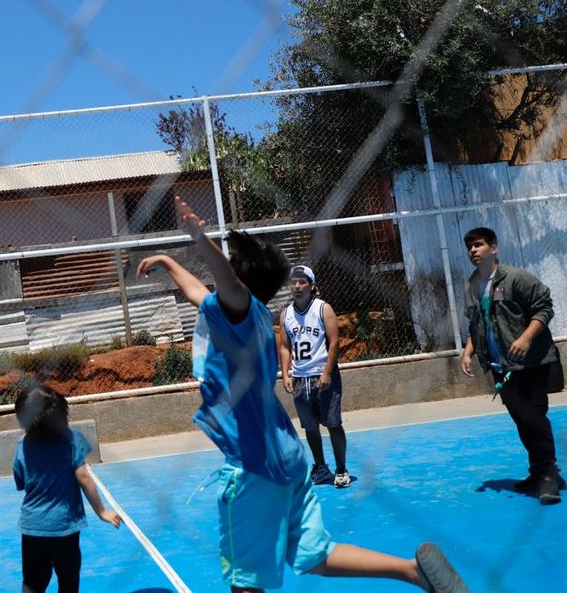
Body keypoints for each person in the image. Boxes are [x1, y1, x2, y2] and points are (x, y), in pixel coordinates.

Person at [136, 196, 467, 592]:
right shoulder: (247, 314)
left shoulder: (241, 313)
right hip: (288, 458)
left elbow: (227, 282)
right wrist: (167, 261)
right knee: (316, 556)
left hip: (254, 467)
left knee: (246, 582)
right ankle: (412, 571)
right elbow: (198, 290)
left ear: (239, 281)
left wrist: (199, 238)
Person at [459, 226, 563, 505]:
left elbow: (544, 307)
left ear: (494, 248)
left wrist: (526, 338)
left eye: (478, 245)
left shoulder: (516, 278)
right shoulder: (472, 286)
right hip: (501, 367)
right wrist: (468, 352)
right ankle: (538, 471)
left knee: (534, 417)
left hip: (529, 364)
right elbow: (475, 323)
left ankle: (549, 475)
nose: (473, 250)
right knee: (521, 419)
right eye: (469, 247)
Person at [13, 384, 122, 593]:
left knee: (33, 582)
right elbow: (83, 476)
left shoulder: (23, 445)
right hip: (64, 526)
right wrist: (102, 511)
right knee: (68, 579)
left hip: (33, 527)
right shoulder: (72, 439)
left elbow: (20, 480)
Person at [278, 265, 351, 488]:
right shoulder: (286, 314)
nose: (297, 286)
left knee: (333, 423)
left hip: (323, 376)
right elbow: (284, 346)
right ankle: (320, 467)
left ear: (312, 286)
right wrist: (285, 374)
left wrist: (327, 372)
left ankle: (341, 469)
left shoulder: (323, 309)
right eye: (293, 282)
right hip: (300, 378)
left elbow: (334, 342)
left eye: (302, 281)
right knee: (310, 427)